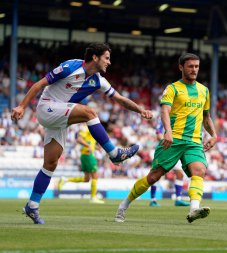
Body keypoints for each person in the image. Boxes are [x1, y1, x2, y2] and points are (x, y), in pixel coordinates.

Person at [11, 43, 153, 224]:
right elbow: (39, 84)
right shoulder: (70, 66)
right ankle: (114, 153)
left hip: (59, 115)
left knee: (51, 163)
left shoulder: (99, 80)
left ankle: (32, 205)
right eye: (107, 58)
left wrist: (140, 110)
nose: (109, 62)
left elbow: (119, 99)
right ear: (95, 57)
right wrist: (22, 106)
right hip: (47, 107)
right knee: (89, 112)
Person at [114, 53, 217, 223]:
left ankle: (193, 209)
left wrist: (213, 135)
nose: (194, 70)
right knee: (154, 176)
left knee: (199, 170)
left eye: (197, 66)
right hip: (173, 140)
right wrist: (167, 132)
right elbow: (164, 111)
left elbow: (206, 117)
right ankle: (124, 204)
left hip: (193, 141)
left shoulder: (204, 90)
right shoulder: (173, 89)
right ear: (181, 67)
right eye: (190, 66)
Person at [58, 124, 104, 204]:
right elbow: (79, 139)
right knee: (95, 176)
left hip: (86, 155)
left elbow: (89, 142)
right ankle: (93, 197)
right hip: (88, 155)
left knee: (87, 179)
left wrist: (96, 148)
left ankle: (65, 179)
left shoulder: (91, 129)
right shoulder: (86, 128)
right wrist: (88, 145)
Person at [149, 119, 190, 207]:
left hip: (175, 151)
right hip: (164, 151)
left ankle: (178, 199)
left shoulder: (178, 119)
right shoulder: (164, 120)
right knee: (156, 175)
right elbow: (158, 134)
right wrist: (166, 143)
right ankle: (153, 200)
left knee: (180, 174)